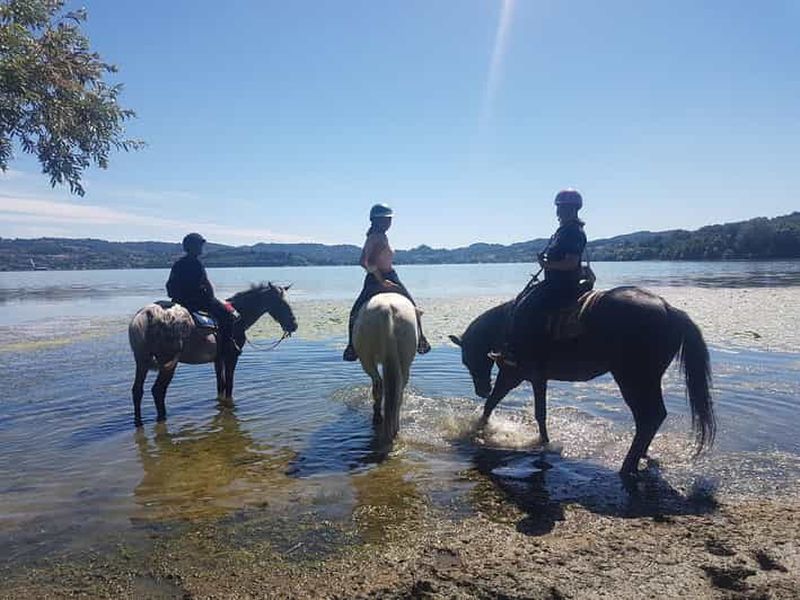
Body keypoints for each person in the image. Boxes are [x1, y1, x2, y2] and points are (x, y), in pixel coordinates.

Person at [500, 189, 588, 366]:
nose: (559, 212)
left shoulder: (572, 232)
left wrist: (546, 265)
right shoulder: (565, 231)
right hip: (556, 282)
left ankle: (517, 353)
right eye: (560, 208)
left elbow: (570, 263)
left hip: (561, 285)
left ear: (569, 210)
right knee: (523, 300)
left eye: (562, 208)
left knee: (523, 308)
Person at [342, 204, 431, 361]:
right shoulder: (376, 237)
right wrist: (381, 281)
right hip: (379, 278)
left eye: (390, 220)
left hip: (389, 274)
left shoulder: (379, 236)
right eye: (387, 219)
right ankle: (351, 345)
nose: (389, 222)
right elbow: (364, 261)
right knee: (355, 311)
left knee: (412, 305)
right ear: (378, 221)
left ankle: (421, 339)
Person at [166, 233, 240, 354]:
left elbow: (169, 285)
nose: (201, 248)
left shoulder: (177, 264)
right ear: (194, 247)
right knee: (227, 315)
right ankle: (228, 344)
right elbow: (206, 283)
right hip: (198, 301)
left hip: (178, 301)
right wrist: (212, 298)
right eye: (200, 246)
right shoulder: (196, 263)